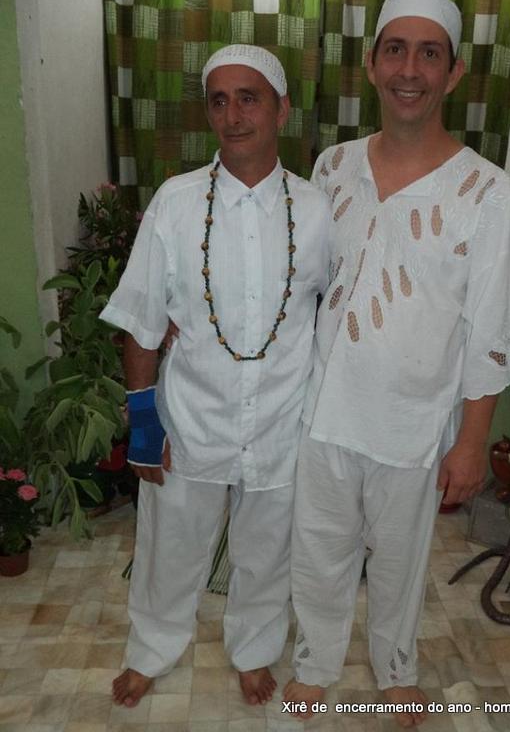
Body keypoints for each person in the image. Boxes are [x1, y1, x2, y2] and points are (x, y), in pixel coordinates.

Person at [283, 0, 510, 727]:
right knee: (318, 549)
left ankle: (396, 669)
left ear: (454, 71)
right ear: (371, 64)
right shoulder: (332, 168)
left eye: (429, 53)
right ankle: (314, 662)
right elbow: (304, 287)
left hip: (412, 422)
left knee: (402, 563)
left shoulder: (486, 193)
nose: (410, 69)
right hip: (323, 408)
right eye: (396, 50)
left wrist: (472, 440)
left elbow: (491, 326)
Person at [100, 45, 330, 708]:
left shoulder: (317, 211)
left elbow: (338, 311)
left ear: (281, 110)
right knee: (169, 547)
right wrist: (144, 422)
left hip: (281, 422)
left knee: (267, 552)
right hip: (192, 420)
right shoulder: (176, 203)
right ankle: (152, 649)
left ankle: (254, 651)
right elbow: (143, 320)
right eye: (219, 100)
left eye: (248, 98)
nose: (233, 116)